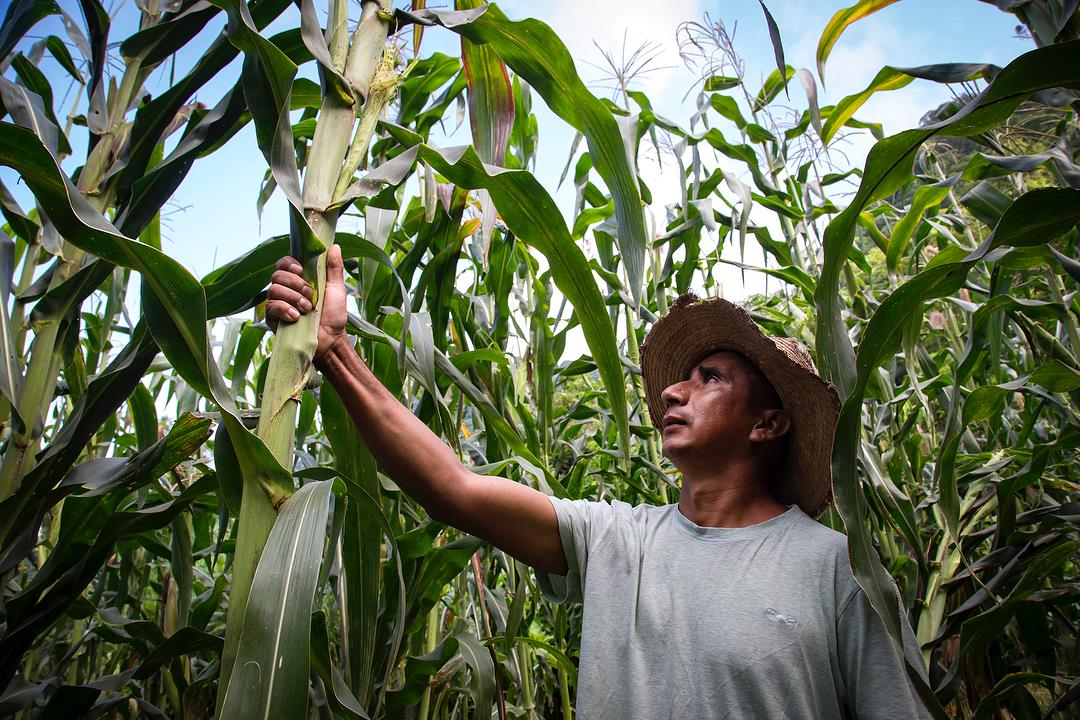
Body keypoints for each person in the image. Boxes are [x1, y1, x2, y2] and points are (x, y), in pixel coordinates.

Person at [267, 245, 932, 719]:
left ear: (767, 424)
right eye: (681, 376)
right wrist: (335, 352)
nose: (673, 390)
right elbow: (454, 488)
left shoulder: (840, 572)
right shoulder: (616, 541)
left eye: (709, 379)